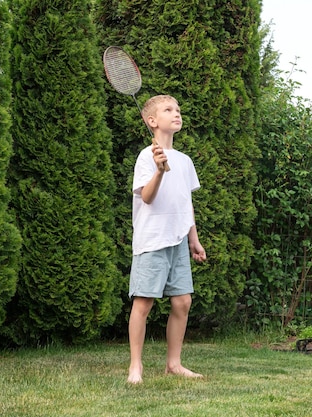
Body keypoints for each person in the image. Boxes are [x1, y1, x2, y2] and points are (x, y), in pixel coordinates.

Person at [127, 94, 207, 384]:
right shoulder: (146, 157)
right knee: (144, 303)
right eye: (168, 110)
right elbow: (147, 197)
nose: (176, 114)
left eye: (178, 110)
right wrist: (159, 171)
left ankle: (174, 364)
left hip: (177, 242)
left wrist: (193, 240)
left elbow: (185, 204)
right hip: (152, 241)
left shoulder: (185, 162)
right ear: (152, 121)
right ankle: (135, 366)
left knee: (182, 302)